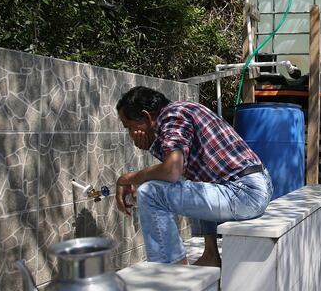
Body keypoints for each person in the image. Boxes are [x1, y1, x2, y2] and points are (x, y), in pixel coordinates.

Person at [113, 86, 272, 266]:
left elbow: (171, 171)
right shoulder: (183, 110)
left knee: (149, 193)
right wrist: (152, 146)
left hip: (244, 193)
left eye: (129, 127)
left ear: (146, 116)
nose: (130, 134)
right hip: (253, 185)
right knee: (196, 181)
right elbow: (190, 171)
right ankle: (211, 254)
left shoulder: (172, 116)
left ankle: (173, 271)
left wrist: (127, 178)